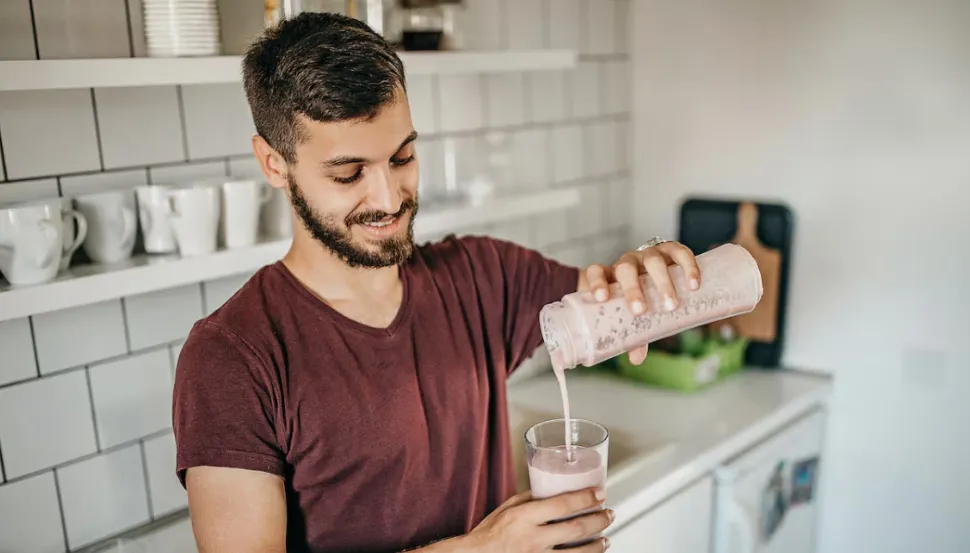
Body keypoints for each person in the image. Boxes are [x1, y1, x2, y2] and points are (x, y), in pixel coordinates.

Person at [173, 12, 701, 553]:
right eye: (348, 174)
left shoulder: (483, 278)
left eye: (402, 157)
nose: (388, 198)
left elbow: (624, 307)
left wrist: (649, 269)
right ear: (274, 163)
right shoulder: (231, 358)